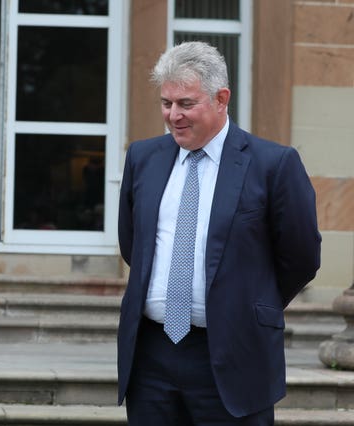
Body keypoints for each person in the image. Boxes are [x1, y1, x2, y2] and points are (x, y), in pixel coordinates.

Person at [117, 41, 321, 425]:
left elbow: (302, 256)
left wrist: (249, 303)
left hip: (234, 358)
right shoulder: (143, 158)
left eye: (186, 104)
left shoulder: (273, 164)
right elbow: (134, 245)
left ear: (221, 98)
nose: (173, 115)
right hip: (151, 357)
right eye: (166, 103)